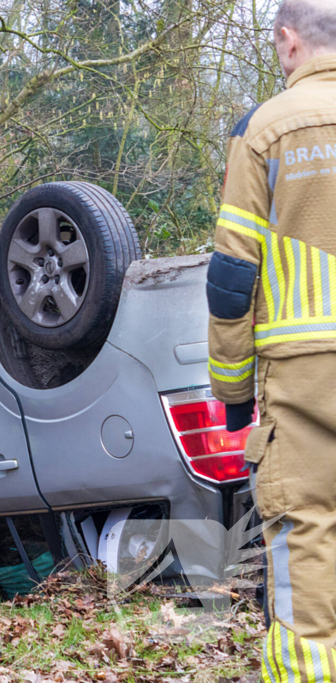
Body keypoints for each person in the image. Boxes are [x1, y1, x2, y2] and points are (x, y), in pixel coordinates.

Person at [208, 0, 336, 675]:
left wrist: (231, 391)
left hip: (305, 373)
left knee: (308, 528)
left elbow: (233, 277)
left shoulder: (264, 129)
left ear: (289, 41)